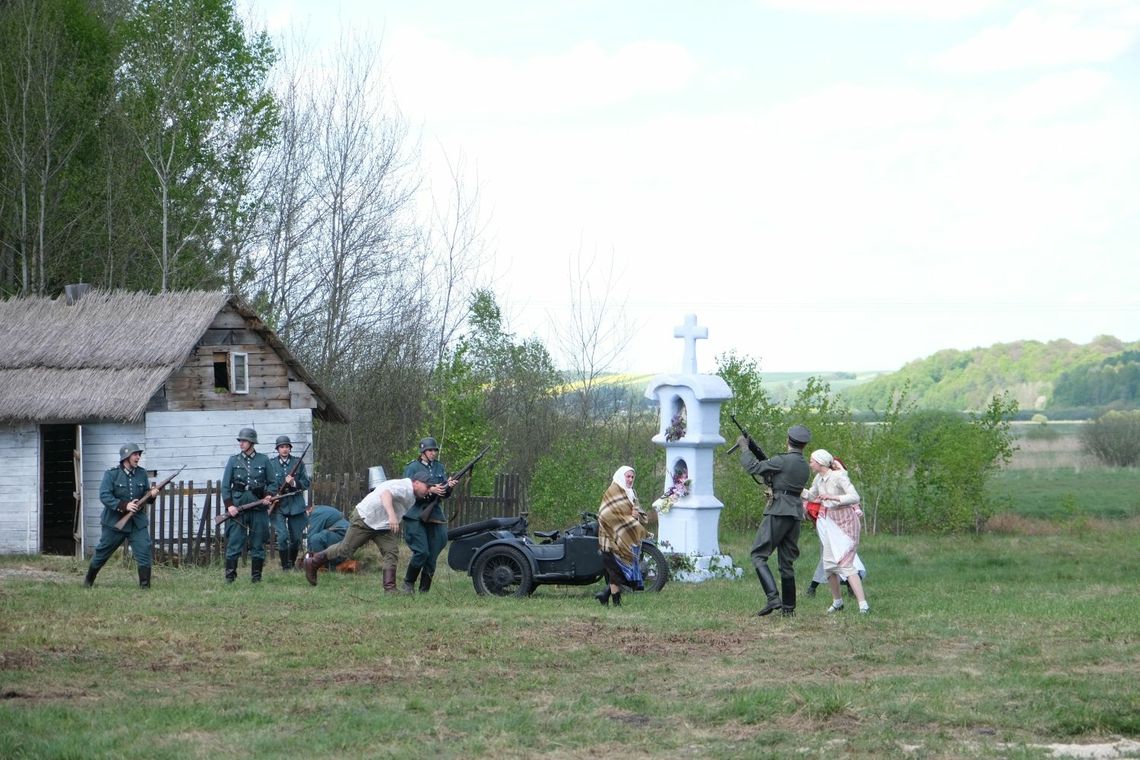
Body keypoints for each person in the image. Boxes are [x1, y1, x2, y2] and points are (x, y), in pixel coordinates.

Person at [304, 473, 433, 589]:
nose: (428, 490)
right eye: (427, 486)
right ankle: (313, 562)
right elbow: (385, 494)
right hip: (365, 519)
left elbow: (430, 491)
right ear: (416, 483)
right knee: (345, 550)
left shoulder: (415, 491)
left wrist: (444, 486)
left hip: (382, 525)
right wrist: (392, 515)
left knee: (391, 552)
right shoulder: (404, 486)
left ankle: (390, 589)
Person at [737, 424, 812, 617]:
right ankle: (789, 609)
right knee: (786, 562)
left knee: (758, 555)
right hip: (795, 513)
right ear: (803, 445)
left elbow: (752, 467)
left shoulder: (782, 460)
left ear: (788, 440)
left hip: (778, 510)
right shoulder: (804, 465)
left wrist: (744, 447)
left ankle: (772, 598)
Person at [802, 448, 870, 613]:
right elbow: (811, 496)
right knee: (829, 565)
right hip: (831, 523)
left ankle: (863, 606)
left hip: (846, 523)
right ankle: (838, 602)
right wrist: (794, 488)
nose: (810, 464)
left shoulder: (839, 476)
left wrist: (833, 498)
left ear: (820, 462)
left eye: (812, 461)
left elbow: (855, 497)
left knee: (846, 564)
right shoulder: (819, 478)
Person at [84, 443, 159, 588]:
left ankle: (145, 588)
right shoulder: (111, 474)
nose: (138, 457)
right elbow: (104, 496)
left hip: (136, 522)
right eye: (135, 454)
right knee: (101, 554)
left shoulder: (142, 473)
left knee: (144, 552)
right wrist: (125, 505)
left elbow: (145, 496)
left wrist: (152, 495)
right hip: (114, 522)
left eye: (139, 454)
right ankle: (88, 581)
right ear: (126, 457)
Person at [401, 437, 457, 594]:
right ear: (423, 452)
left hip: (435, 513)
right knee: (422, 551)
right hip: (416, 513)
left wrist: (449, 486)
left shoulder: (439, 467)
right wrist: (429, 490)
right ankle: (408, 584)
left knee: (434, 552)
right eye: (430, 450)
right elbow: (407, 490)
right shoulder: (412, 468)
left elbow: (444, 494)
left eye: (435, 450)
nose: (433, 453)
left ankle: (424, 590)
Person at [220, 427, 272, 583]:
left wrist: (269, 495)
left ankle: (256, 578)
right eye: (240, 441)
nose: (241, 443)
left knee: (258, 544)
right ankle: (230, 578)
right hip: (238, 509)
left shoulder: (264, 460)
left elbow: (273, 483)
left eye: (244, 441)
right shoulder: (233, 460)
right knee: (234, 543)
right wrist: (229, 506)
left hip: (258, 509)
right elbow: (225, 485)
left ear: (252, 442)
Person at [595, 465, 649, 607]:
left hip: (625, 541)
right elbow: (604, 515)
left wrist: (637, 516)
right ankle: (615, 603)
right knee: (616, 572)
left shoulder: (631, 493)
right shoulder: (613, 491)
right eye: (628, 476)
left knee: (619, 572)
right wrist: (629, 516)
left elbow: (638, 514)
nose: (630, 479)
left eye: (632, 477)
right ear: (621, 476)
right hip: (610, 539)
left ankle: (605, 596)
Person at [267, 435, 310, 572]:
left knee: (296, 538)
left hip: (295, 504)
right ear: (277, 449)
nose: (284, 449)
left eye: (287, 447)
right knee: (283, 536)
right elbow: (267, 483)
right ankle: (285, 567)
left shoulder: (298, 463)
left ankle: (291, 564)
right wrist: (272, 496)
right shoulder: (271, 464)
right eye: (281, 447)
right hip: (278, 505)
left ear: (290, 448)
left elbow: (306, 483)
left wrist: (293, 483)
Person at [303, 504, 351, 571]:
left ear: (307, 511)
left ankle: (321, 567)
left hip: (341, 533)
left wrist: (308, 554)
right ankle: (332, 565)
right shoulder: (321, 509)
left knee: (315, 539)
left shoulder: (315, 514)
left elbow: (311, 536)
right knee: (320, 537)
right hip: (345, 533)